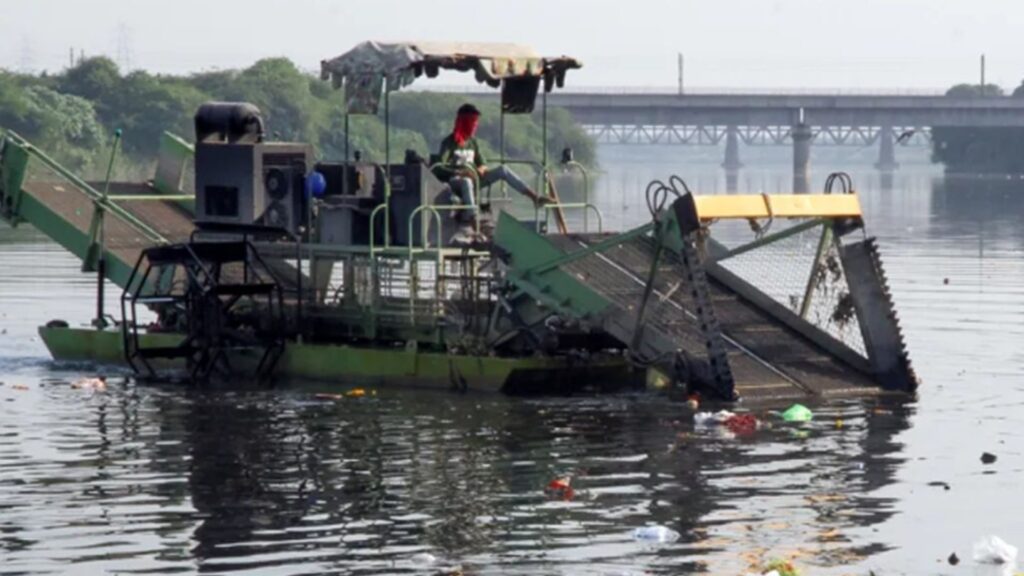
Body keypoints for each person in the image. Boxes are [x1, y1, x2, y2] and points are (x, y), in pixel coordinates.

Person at [433, 103, 550, 230]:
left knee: (502, 170)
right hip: (456, 181)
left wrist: (481, 168)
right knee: (466, 181)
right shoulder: (449, 142)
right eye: (472, 122)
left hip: (476, 178)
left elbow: (482, 163)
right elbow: (439, 166)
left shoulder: (473, 142)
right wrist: (460, 173)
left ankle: (534, 197)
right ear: (464, 122)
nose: (475, 126)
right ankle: (473, 218)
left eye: (475, 123)